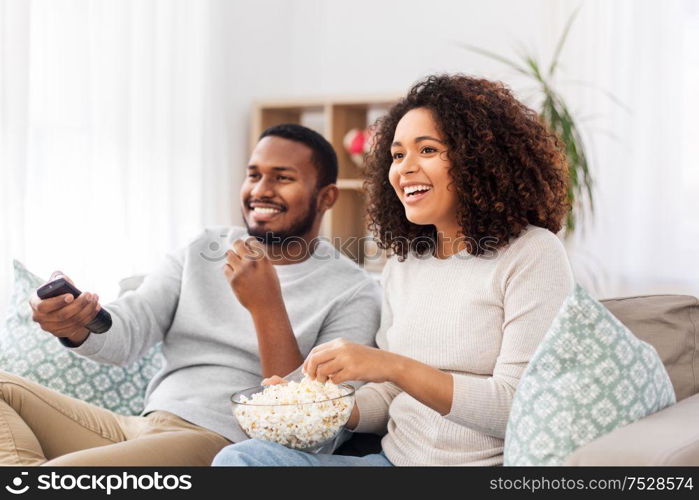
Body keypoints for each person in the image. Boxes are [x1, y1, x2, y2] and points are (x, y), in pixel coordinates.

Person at [213, 74, 575, 466]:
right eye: (398, 155)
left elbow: (517, 406)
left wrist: (392, 366)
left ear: (479, 159)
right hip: (390, 464)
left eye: (428, 150)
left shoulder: (533, 254)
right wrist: (316, 404)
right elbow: (388, 398)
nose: (405, 169)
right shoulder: (405, 263)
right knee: (242, 461)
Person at [0, 124, 381, 466]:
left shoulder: (354, 292)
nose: (261, 190)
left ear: (327, 197)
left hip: (221, 443)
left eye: (282, 178)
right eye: (254, 175)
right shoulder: (204, 248)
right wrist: (76, 323)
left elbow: (311, 426)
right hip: (142, 426)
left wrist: (266, 307)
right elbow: (128, 331)